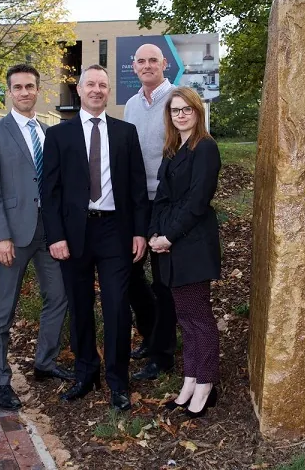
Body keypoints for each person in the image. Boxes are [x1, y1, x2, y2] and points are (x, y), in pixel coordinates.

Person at [40, 64, 149, 411]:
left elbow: (136, 188)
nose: (97, 90)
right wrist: (55, 236)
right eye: (91, 84)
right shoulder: (59, 135)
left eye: (103, 85)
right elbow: (50, 191)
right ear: (80, 89)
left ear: (108, 91)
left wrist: (139, 232)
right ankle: (86, 373)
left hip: (115, 232)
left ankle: (118, 381)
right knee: (80, 306)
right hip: (74, 235)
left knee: (117, 308)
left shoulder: (125, 133)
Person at [0, 64, 73, 412]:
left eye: (30, 86)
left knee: (58, 297)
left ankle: (44, 362)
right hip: (13, 236)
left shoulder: (48, 132)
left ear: (37, 89)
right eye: (17, 87)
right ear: (9, 91)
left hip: (48, 233)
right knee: (3, 308)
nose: (24, 92)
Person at [148, 87, 222, 418]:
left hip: (191, 246)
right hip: (169, 245)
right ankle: (190, 378)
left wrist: (169, 236)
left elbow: (196, 202)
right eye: (175, 110)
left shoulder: (205, 148)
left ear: (197, 111)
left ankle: (206, 383)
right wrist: (153, 233)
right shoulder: (172, 149)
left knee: (199, 318)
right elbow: (162, 197)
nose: (180, 114)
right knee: (186, 320)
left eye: (186, 109)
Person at [123, 43, 178, 380]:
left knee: (163, 282)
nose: (146, 66)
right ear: (134, 66)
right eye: (140, 61)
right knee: (130, 275)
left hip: (165, 203)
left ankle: (163, 354)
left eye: (152, 60)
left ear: (164, 63)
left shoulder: (176, 100)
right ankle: (149, 333)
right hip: (135, 202)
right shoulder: (130, 105)